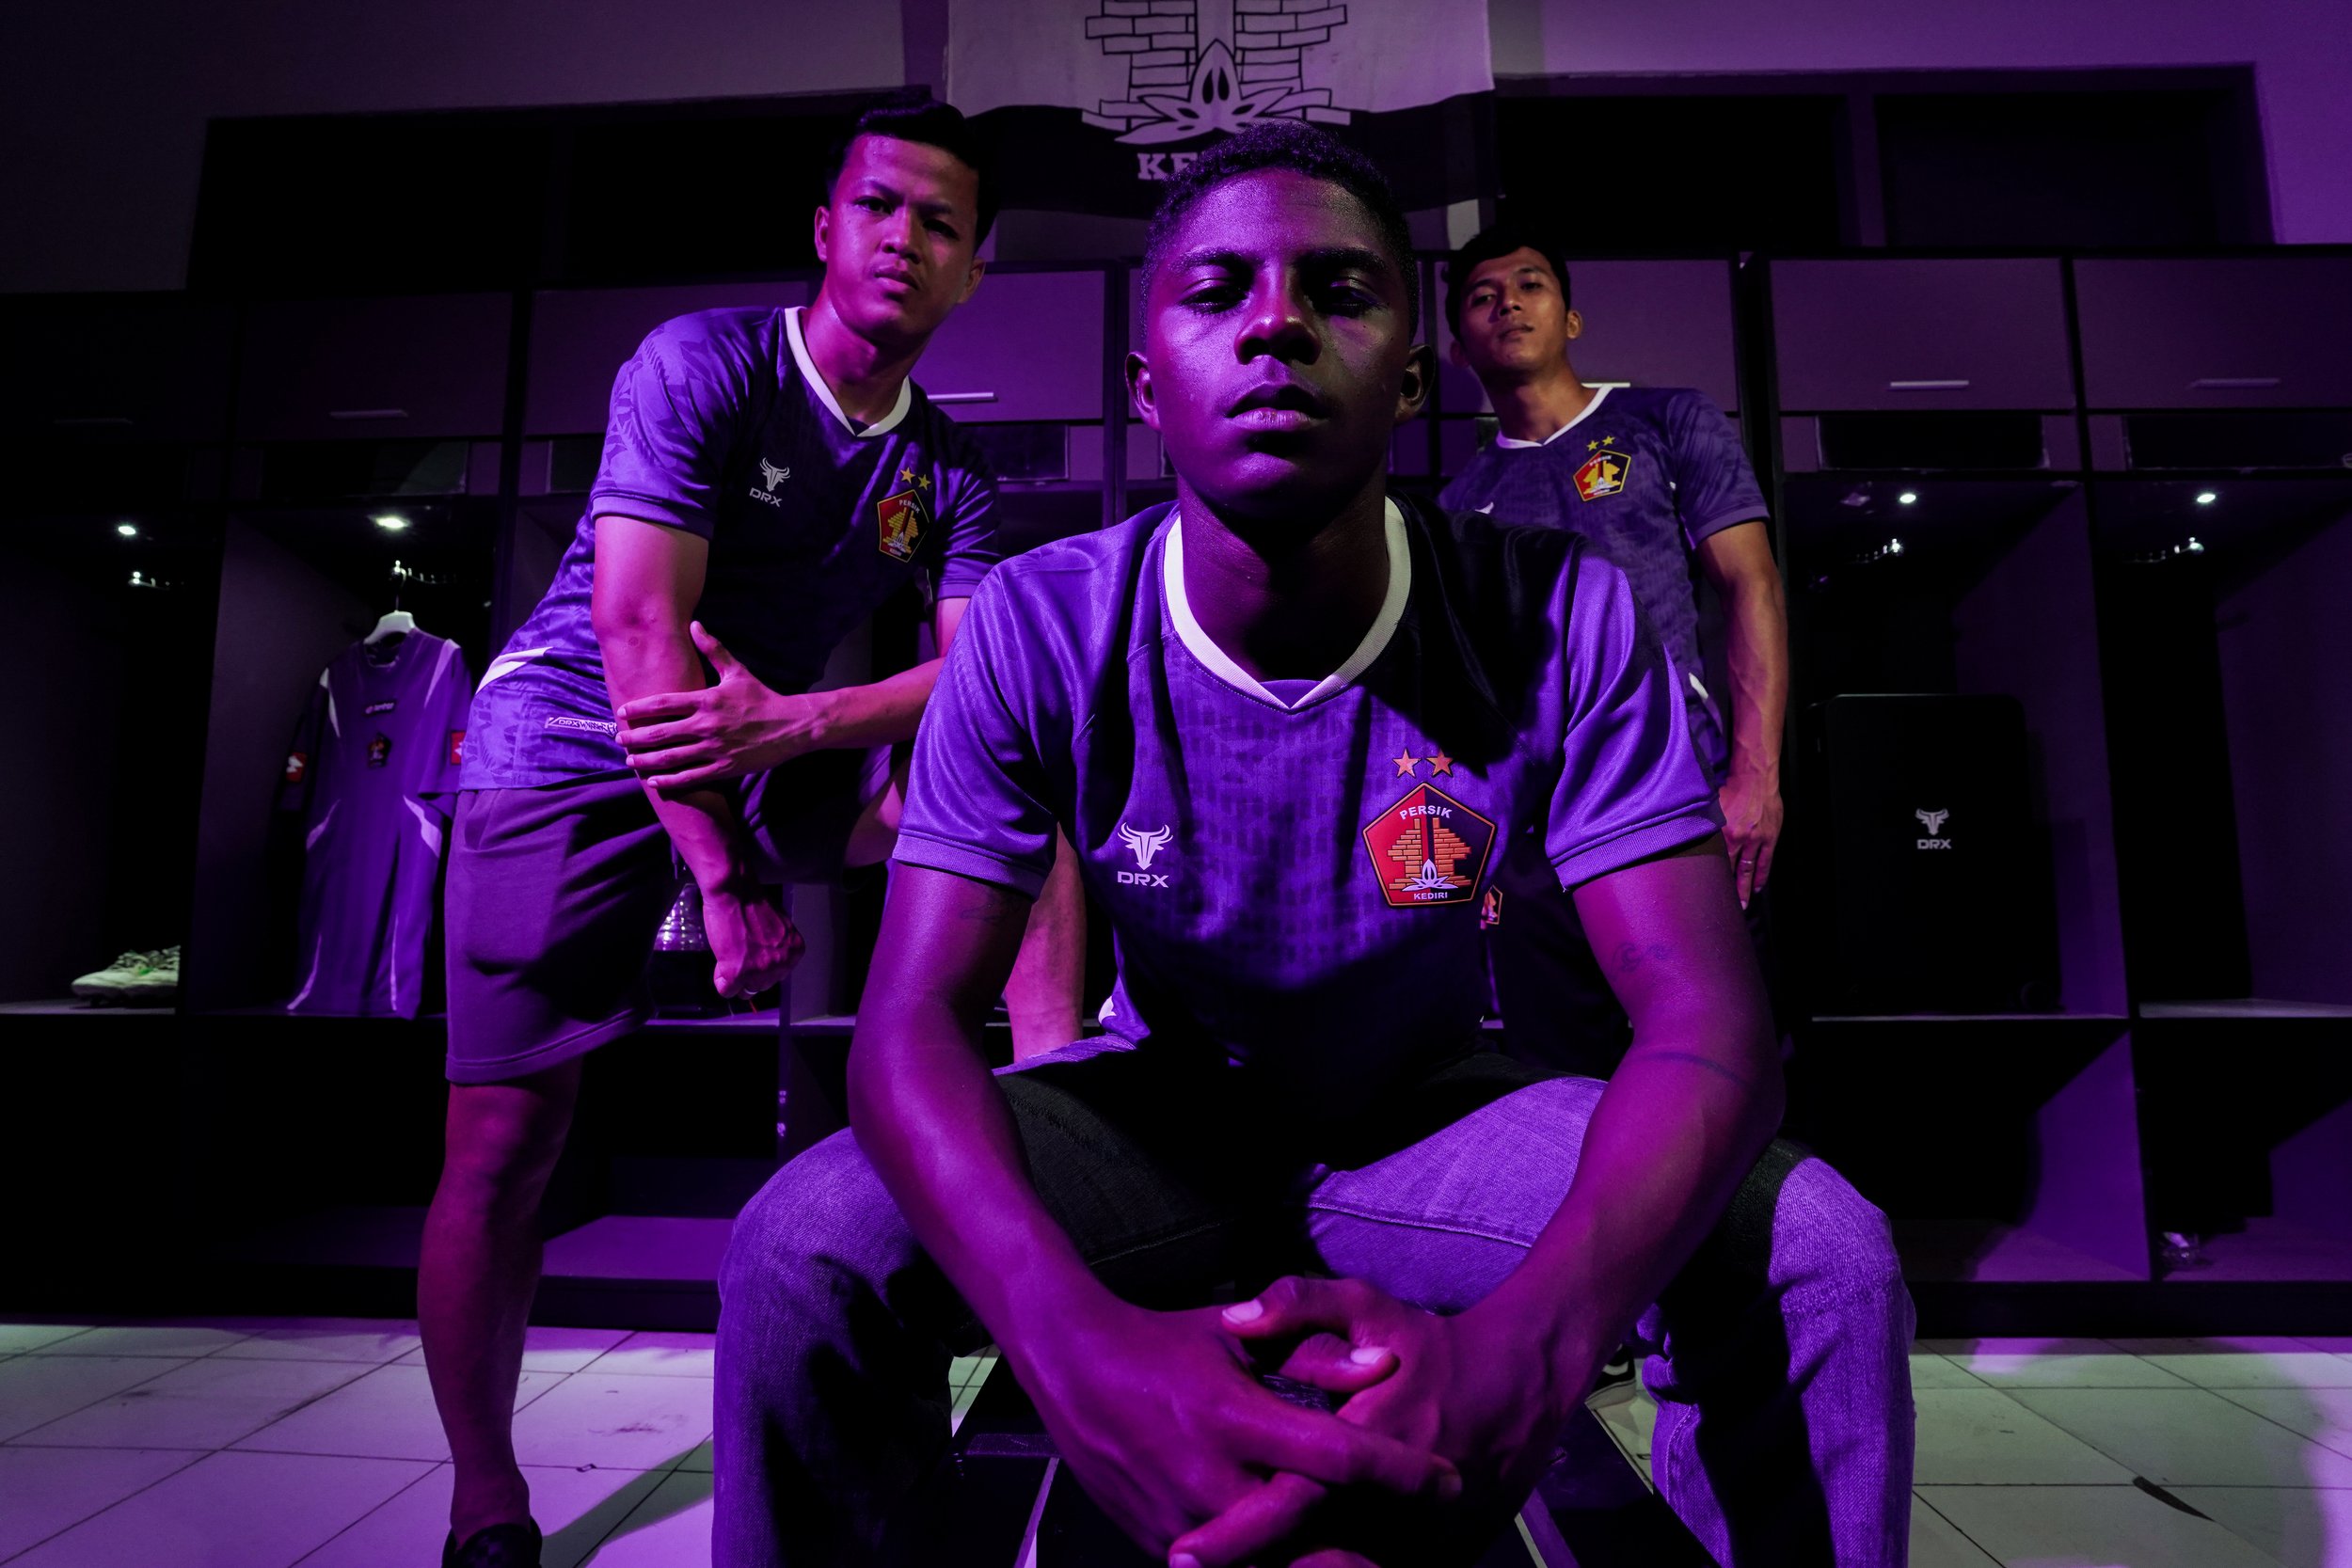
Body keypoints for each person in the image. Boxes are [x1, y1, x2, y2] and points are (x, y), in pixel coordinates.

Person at [715, 122, 1912, 1567]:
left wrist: (1530, 1347)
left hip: (1430, 1117)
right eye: (1220, 292)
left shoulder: (1559, 611)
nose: (1277, 321)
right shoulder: (1042, 619)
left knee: (1821, 1256)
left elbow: (1710, 1017)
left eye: (1340, 290)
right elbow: (907, 1022)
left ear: (1410, 376)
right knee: (802, 1247)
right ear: (1151, 384)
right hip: (1150, 1114)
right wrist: (1068, 1342)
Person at [421, 101, 1085, 1568]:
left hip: (769, 723)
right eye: (880, 207)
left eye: (941, 224)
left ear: (976, 269)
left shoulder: (947, 479)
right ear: (826, 228)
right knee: (507, 1142)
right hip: (580, 742)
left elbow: (974, 675)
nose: (905, 239)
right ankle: (485, 1495)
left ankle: (1070, 1133)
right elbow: (643, 626)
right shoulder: (704, 364)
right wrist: (721, 879)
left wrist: (801, 725)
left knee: (1018, 809)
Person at [1439, 230, 1788, 1078]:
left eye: (1530, 285)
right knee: (1561, 1091)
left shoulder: (1668, 421)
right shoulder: (1457, 506)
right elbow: (1466, 697)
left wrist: (1755, 776)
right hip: (1534, 841)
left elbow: (1752, 589)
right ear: (1459, 346)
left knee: (1712, 1073)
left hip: (1678, 800)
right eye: (1483, 295)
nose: (1509, 303)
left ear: (1573, 315)